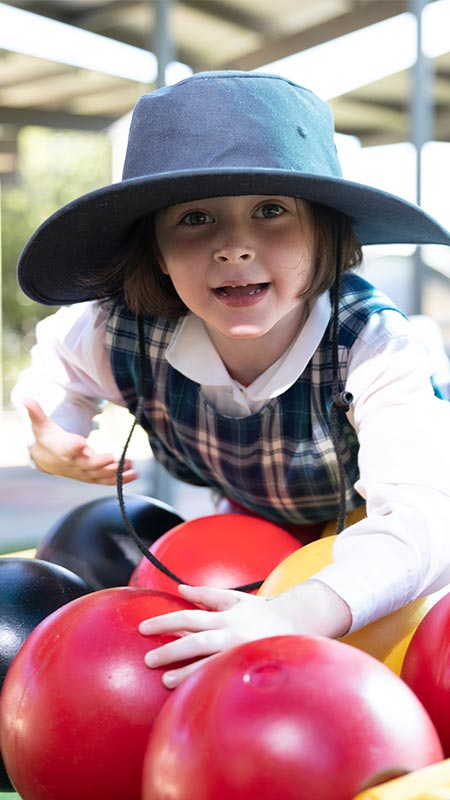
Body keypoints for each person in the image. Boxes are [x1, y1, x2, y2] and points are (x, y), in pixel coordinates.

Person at [12, 70, 450, 689]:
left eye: (271, 210)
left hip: (389, 547)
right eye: (195, 218)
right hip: (256, 534)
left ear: (326, 233)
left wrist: (296, 612)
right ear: (156, 251)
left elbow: (425, 520)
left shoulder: (372, 345)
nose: (235, 245)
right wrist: (58, 428)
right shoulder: (120, 332)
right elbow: (54, 365)